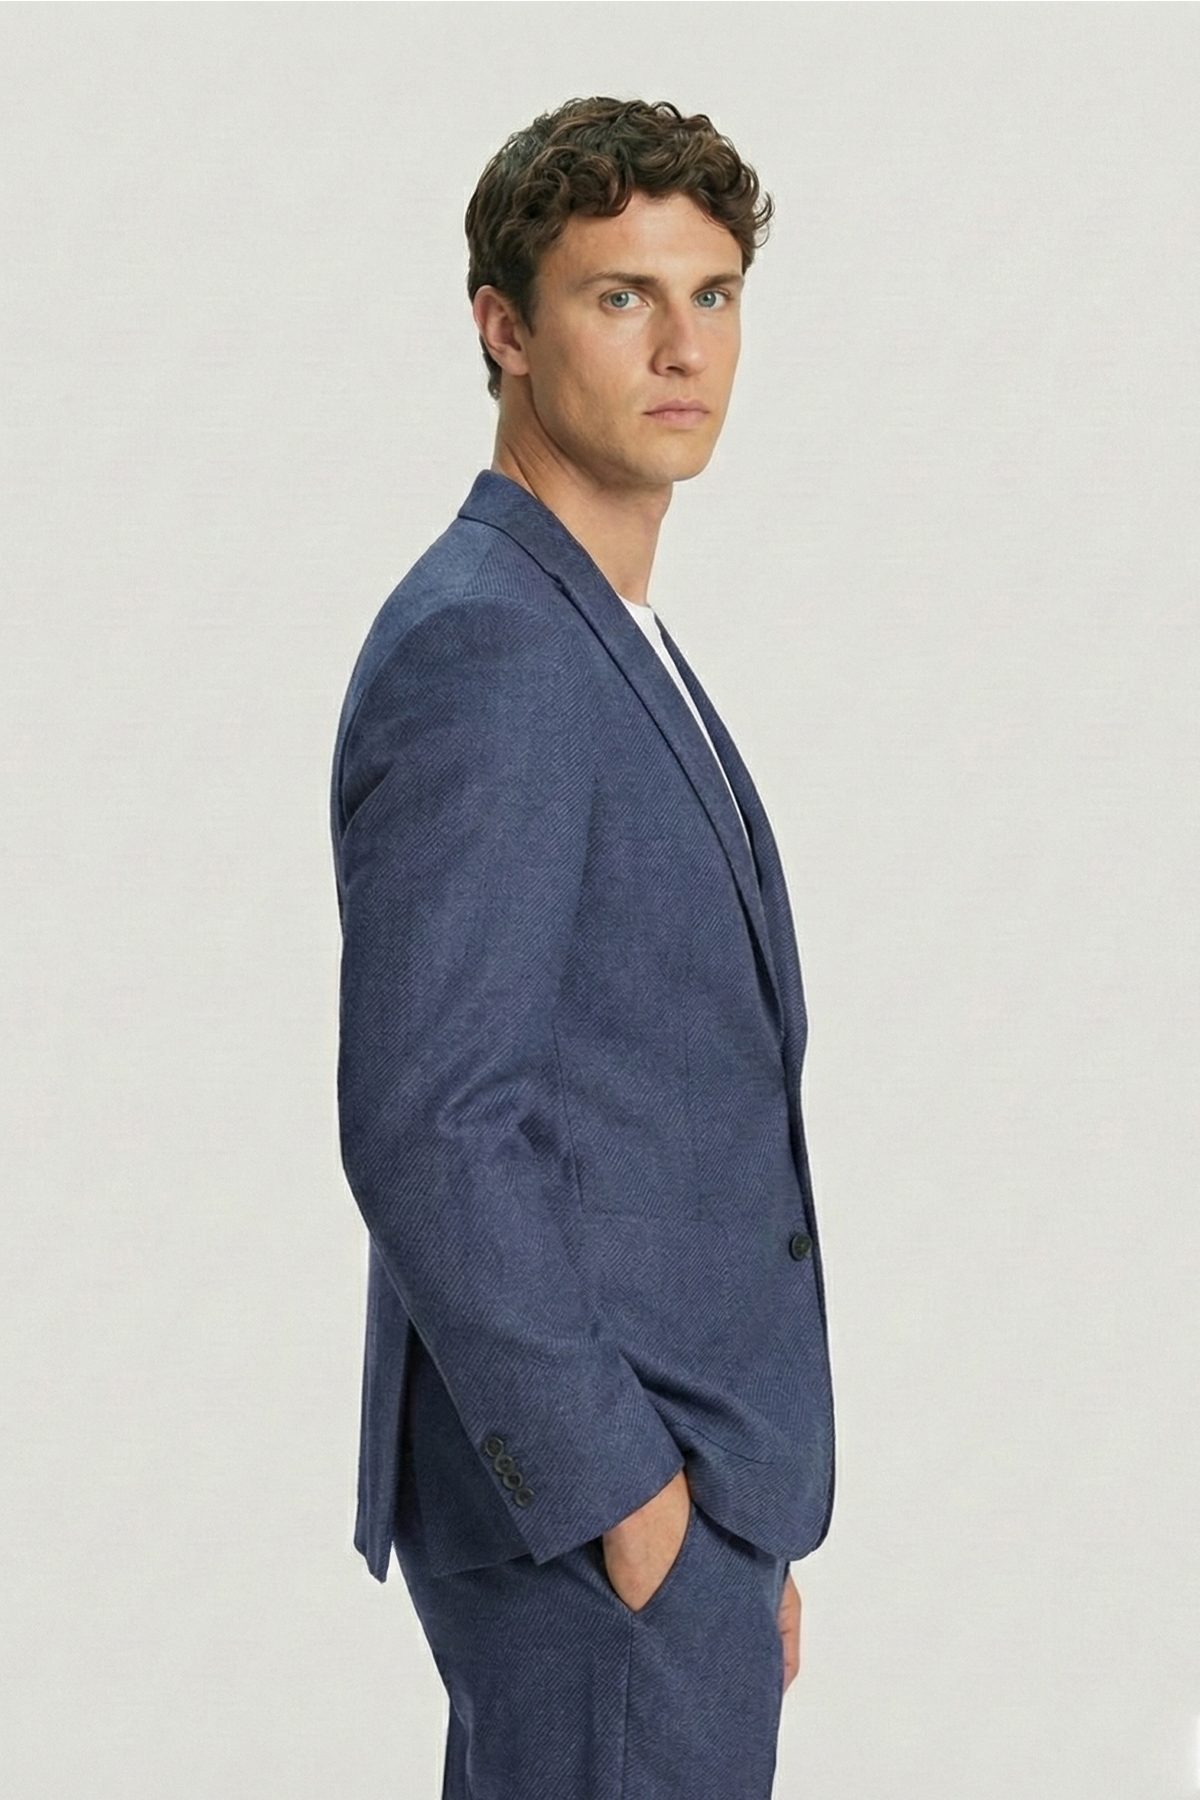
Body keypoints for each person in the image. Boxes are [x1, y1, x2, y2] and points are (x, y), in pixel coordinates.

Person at [330, 95, 835, 1800]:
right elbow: (432, 1121)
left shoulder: (599, 632)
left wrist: (734, 1527)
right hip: (593, 1523)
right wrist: (630, 1498)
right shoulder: (491, 649)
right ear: (505, 328)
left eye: (714, 294)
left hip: (680, 1515)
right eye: (623, 296)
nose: (683, 346)